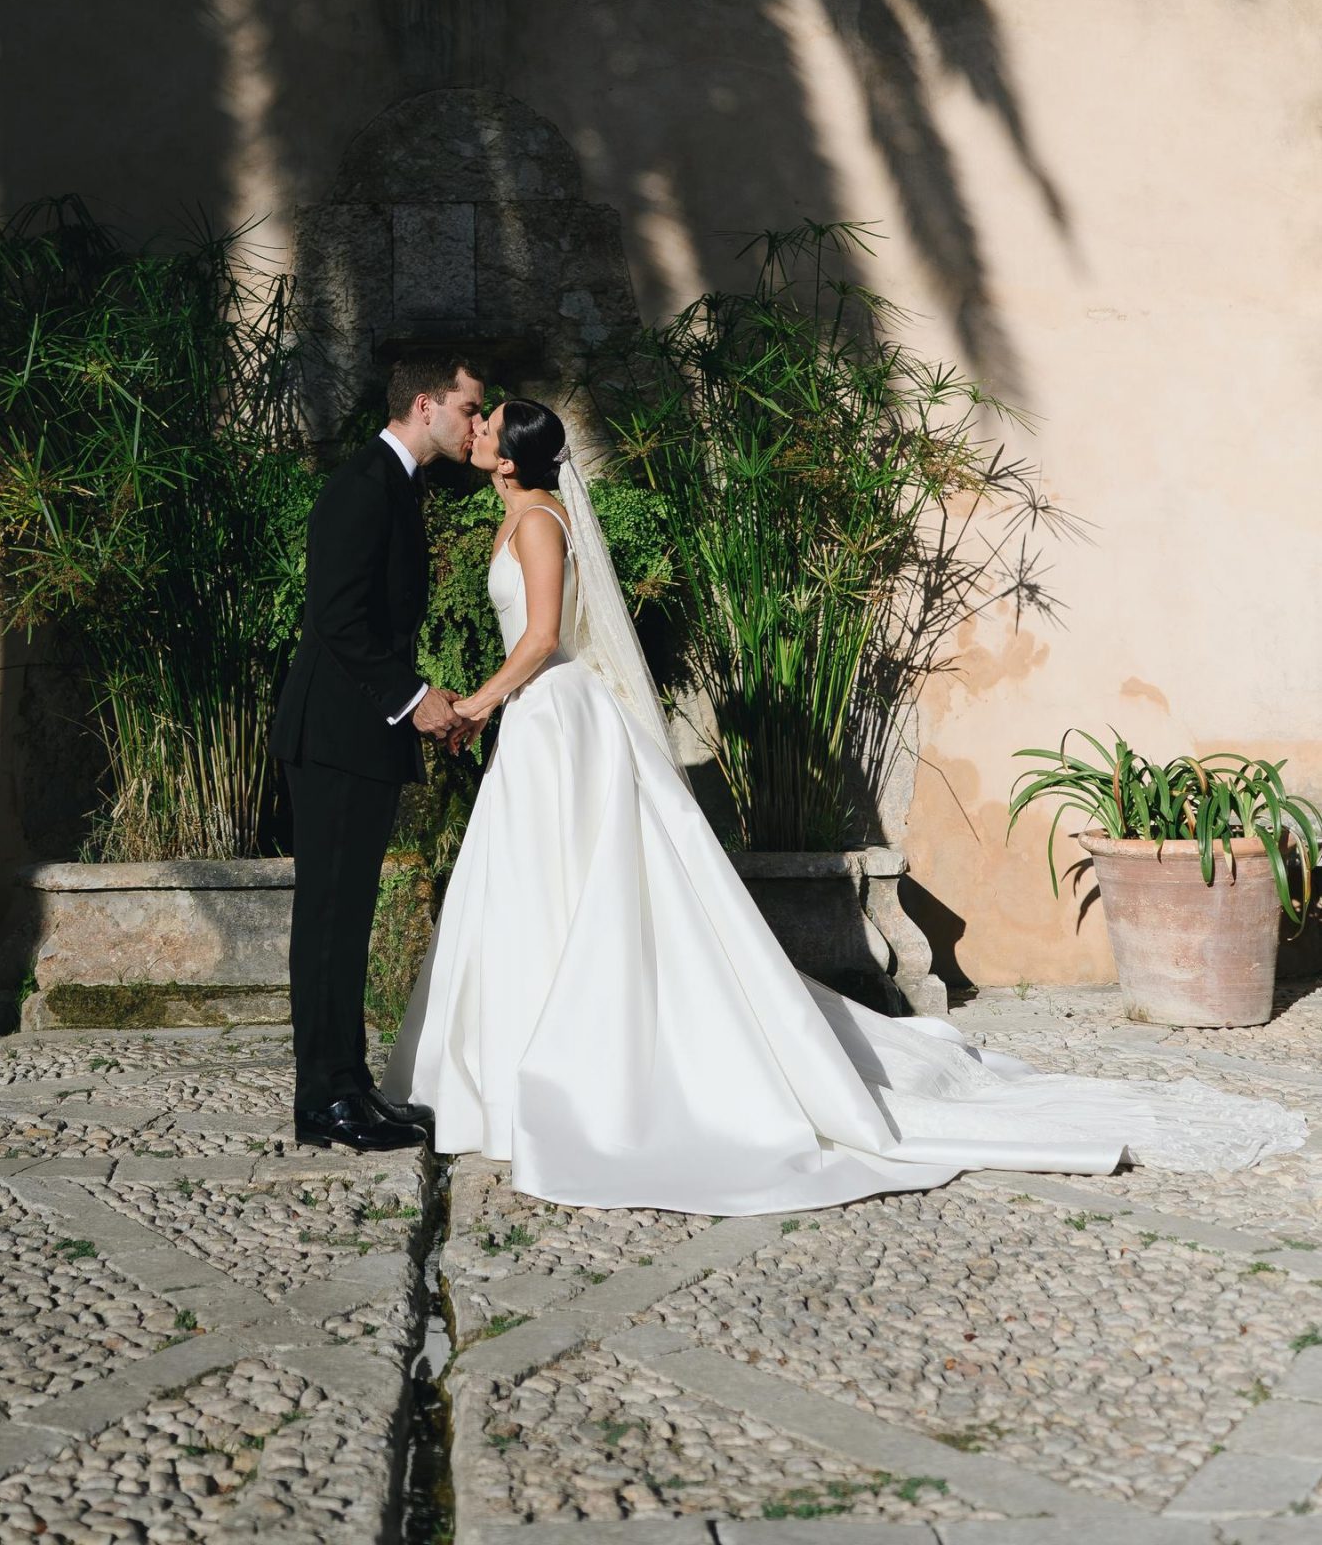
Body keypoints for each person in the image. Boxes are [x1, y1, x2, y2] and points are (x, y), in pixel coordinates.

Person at [384, 399, 1305, 1214]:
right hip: (540, 724)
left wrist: (474, 702)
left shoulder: (539, 521)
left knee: (576, 886)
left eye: (488, 423)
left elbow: (545, 635)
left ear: (511, 454)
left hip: (559, 720)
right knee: (529, 889)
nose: (474, 428)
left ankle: (574, 1075)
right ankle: (505, 1071)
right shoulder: (513, 513)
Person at [272, 354, 484, 1153]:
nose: (474, 424)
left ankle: (348, 1086)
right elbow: (336, 618)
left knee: (346, 918)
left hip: (358, 736)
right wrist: (412, 696)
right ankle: (323, 1100)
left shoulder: (398, 485)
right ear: (424, 403)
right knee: (327, 921)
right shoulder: (362, 484)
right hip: (333, 735)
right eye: (468, 408)